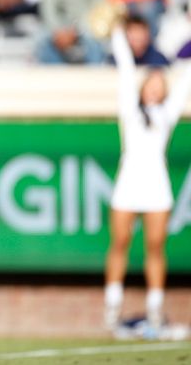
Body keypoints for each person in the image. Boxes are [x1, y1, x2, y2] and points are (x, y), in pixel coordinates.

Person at [104, 29, 191, 334]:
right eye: (150, 85)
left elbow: (186, 79)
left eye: (159, 86)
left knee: (155, 248)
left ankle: (155, 309)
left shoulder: (167, 113)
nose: (154, 90)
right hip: (128, 183)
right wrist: (116, 30)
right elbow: (126, 71)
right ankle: (112, 307)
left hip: (156, 185)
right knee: (120, 244)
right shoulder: (129, 110)